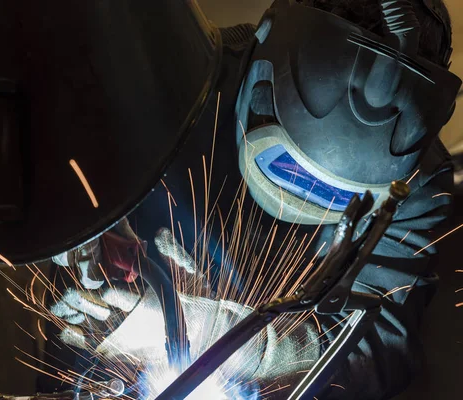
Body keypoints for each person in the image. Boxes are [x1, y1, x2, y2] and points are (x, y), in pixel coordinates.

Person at [47, 0, 459, 399]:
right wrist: (84, 235)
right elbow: (61, 182)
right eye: (289, 164)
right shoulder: (180, 77)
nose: (298, 195)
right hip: (97, 363)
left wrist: (220, 335)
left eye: (341, 192)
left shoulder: (416, 182)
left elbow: (375, 350)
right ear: (265, 56)